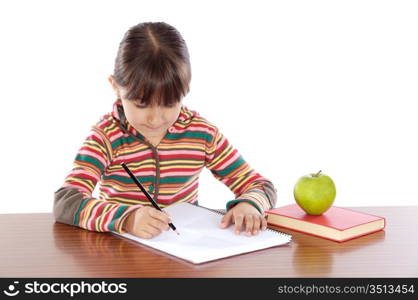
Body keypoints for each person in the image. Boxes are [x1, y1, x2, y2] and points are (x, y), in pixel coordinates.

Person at [54, 21, 277, 239]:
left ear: (185, 90)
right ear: (116, 87)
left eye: (169, 104)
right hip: (119, 255)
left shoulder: (202, 134)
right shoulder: (105, 138)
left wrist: (250, 204)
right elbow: (66, 202)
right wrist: (127, 219)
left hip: (185, 255)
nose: (155, 118)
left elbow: (261, 186)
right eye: (141, 104)